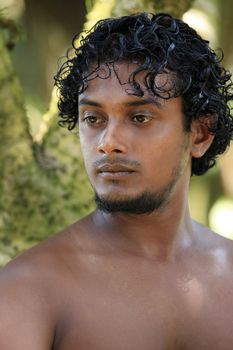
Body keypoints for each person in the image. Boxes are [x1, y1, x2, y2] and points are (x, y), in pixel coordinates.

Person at [0, 12, 233, 350]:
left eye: (140, 117)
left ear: (200, 133)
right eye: (93, 118)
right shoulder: (30, 290)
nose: (108, 142)